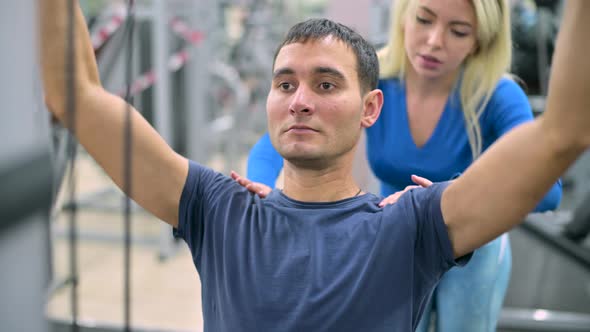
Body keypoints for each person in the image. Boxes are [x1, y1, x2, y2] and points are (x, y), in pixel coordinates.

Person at [40, 0, 590, 331]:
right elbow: (75, 97)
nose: (300, 99)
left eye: (325, 84)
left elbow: (561, 135)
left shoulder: (410, 224)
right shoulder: (219, 207)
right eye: (285, 84)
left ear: (370, 108)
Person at [242, 0, 561, 330]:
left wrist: (440, 197)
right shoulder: (373, 79)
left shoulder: (498, 95)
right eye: (424, 20)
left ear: (479, 40)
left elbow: (547, 190)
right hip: (398, 236)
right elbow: (275, 140)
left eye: (458, 31)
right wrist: (262, 191)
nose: (435, 41)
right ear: (403, 18)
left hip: (473, 245)